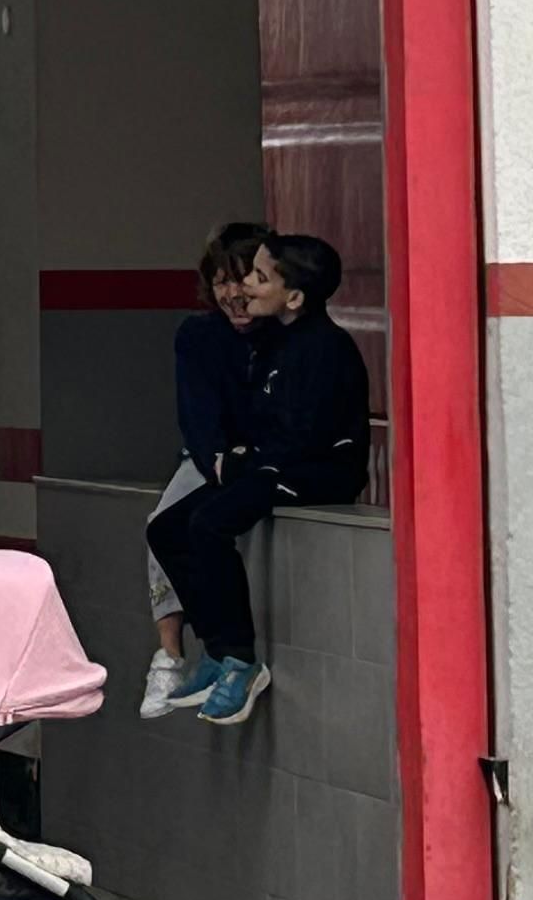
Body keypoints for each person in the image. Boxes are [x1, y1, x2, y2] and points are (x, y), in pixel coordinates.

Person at [146, 231, 370, 729]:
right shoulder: (276, 343)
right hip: (275, 466)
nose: (246, 285)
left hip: (316, 473)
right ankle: (216, 648)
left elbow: (304, 436)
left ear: (293, 297)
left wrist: (251, 464)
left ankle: (241, 659)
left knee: (210, 524)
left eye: (259, 277)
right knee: (165, 528)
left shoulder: (322, 347)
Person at [142, 223, 273, 717]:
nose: (233, 294)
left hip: (268, 460)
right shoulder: (199, 335)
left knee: (198, 526)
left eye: (245, 280)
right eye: (222, 281)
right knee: (162, 525)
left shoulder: (287, 335)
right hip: (212, 457)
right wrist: (218, 462)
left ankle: (229, 656)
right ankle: (174, 654)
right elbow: (196, 418)